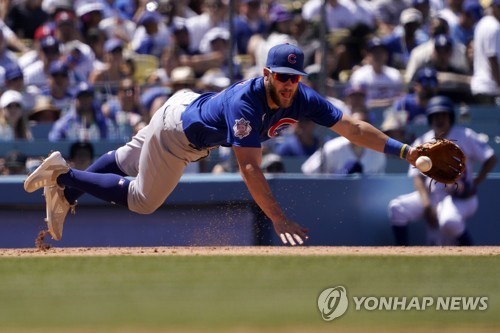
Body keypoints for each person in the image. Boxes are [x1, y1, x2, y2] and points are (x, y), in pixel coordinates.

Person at [24, 43, 422, 244]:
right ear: (267, 73)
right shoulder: (246, 103)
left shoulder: (302, 97)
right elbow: (248, 167)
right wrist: (277, 217)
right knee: (143, 200)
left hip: (182, 105)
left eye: (294, 77)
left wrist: (405, 151)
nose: (288, 84)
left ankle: (69, 189)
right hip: (178, 135)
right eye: (281, 76)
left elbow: (353, 129)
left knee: (127, 159)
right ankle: (64, 175)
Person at [388, 96, 497, 246]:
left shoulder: (465, 135)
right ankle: (401, 253)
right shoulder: (422, 141)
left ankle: (473, 252)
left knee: (449, 221)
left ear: (450, 117)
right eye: (435, 115)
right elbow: (417, 177)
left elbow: (490, 158)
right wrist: (427, 205)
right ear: (430, 118)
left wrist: (475, 183)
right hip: (433, 195)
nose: (439, 119)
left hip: (459, 196)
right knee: (397, 208)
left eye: (443, 115)